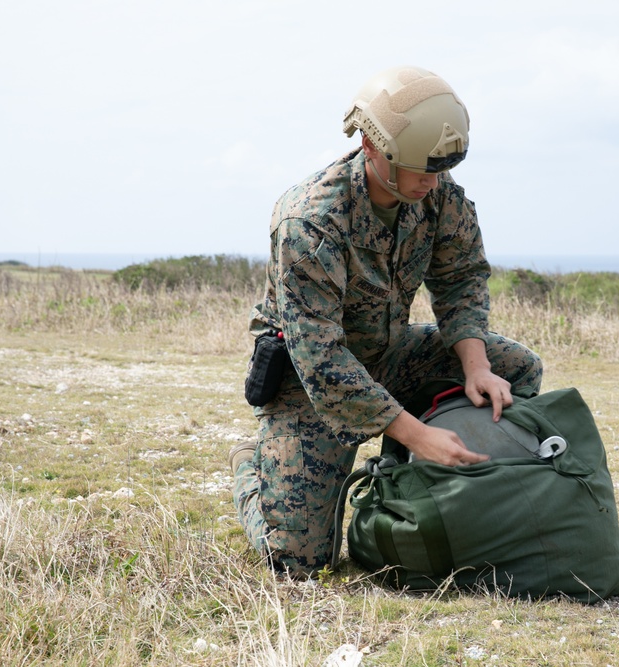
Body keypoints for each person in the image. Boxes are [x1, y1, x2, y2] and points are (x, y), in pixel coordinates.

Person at [230, 66, 543, 576]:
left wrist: (477, 365)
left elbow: (461, 279)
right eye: (419, 169)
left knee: (516, 370)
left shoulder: (436, 193)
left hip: (389, 355)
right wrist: (421, 435)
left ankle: (415, 489)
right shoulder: (309, 222)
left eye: (438, 170)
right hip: (309, 386)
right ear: (372, 148)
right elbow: (324, 361)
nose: (431, 182)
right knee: (298, 565)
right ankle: (253, 466)